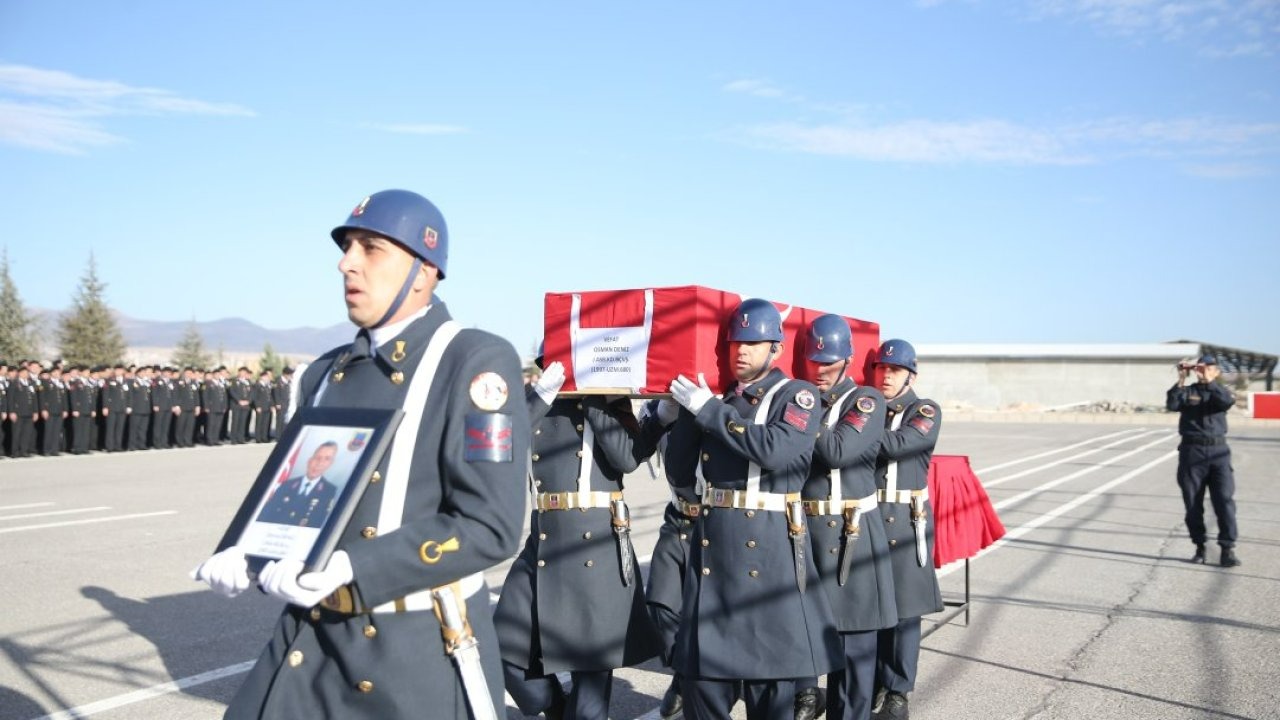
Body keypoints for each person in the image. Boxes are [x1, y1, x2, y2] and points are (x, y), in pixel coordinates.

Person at [192, 188, 530, 720]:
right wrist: (249, 550)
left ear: (423, 271)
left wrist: (355, 564)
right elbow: (301, 495)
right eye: (348, 247)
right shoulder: (321, 375)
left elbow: (490, 526)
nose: (346, 263)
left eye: (371, 248)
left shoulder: (472, 360)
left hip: (410, 653)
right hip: (308, 641)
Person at [662, 297, 842, 719]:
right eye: (734, 341)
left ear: (775, 349)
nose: (740, 350)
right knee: (702, 692)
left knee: (769, 696)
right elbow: (679, 470)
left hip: (767, 553)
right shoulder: (718, 401)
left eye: (753, 342)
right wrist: (683, 414)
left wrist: (707, 410)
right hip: (714, 555)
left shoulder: (797, 396)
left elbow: (775, 449)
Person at [495, 351, 662, 719]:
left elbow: (626, 459)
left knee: (590, 667)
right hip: (544, 537)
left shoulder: (607, 398)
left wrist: (593, 396)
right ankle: (554, 707)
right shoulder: (535, 397)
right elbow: (499, 440)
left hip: (595, 540)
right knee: (502, 644)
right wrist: (541, 396)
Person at [790, 316, 897, 720]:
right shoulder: (804, 397)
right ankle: (806, 697)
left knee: (854, 644)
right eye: (814, 361)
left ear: (848, 359)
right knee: (805, 629)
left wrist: (799, 414)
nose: (819, 370)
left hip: (849, 530)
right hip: (807, 528)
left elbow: (837, 450)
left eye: (829, 362)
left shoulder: (866, 401)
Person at [871, 339, 943, 720]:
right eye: (880, 369)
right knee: (870, 606)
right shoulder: (868, 409)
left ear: (910, 375)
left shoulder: (925, 409)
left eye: (894, 370)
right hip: (865, 515)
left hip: (904, 517)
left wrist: (857, 433)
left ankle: (898, 690)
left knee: (903, 612)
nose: (885, 376)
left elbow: (902, 443)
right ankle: (872, 681)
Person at [1167, 354, 1240, 567]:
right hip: (1192, 452)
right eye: (1201, 368)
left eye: (1209, 368)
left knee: (1224, 501)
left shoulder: (1221, 391)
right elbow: (1172, 404)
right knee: (1192, 502)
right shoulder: (1188, 391)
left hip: (1218, 452)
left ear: (1216, 371)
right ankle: (1199, 546)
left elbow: (1226, 402)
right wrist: (1181, 379)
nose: (1204, 371)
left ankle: (1227, 549)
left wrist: (1210, 382)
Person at [257, 441, 341, 527]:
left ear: (330, 464)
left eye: (327, 459)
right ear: (309, 461)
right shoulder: (287, 485)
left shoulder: (329, 491)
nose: (319, 463)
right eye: (317, 457)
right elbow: (265, 514)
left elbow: (320, 523)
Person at [228, 367, 253, 444]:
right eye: (242, 372)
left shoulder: (248, 382)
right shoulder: (234, 381)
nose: (243, 374)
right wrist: (239, 400)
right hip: (237, 404)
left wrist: (248, 401)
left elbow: (252, 393)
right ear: (239, 373)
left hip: (246, 405)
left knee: (243, 422)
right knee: (235, 422)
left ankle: (240, 438)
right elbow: (232, 391)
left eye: (245, 373)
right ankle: (233, 439)